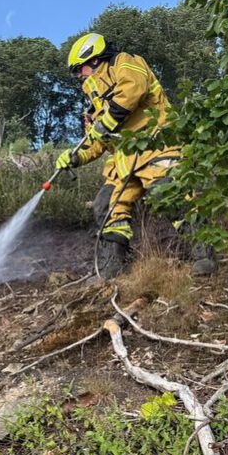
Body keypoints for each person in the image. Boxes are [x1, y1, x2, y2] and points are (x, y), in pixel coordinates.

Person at [55, 32, 182, 276]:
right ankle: (112, 272)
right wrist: (76, 156)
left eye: (79, 69)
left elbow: (133, 88)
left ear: (94, 59)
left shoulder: (124, 62)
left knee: (168, 194)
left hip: (155, 147)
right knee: (106, 205)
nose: (79, 76)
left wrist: (107, 122)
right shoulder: (94, 104)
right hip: (124, 164)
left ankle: (203, 254)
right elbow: (97, 142)